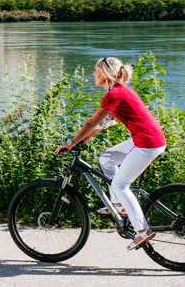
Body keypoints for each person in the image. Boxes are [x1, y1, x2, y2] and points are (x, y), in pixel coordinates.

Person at [55, 56, 167, 251]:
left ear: (105, 74)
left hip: (147, 143)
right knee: (106, 158)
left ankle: (143, 230)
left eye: (96, 71)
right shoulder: (118, 91)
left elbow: (91, 122)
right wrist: (85, 139)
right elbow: (106, 121)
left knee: (120, 184)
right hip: (145, 139)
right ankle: (119, 205)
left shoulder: (115, 94)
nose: (93, 74)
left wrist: (72, 143)